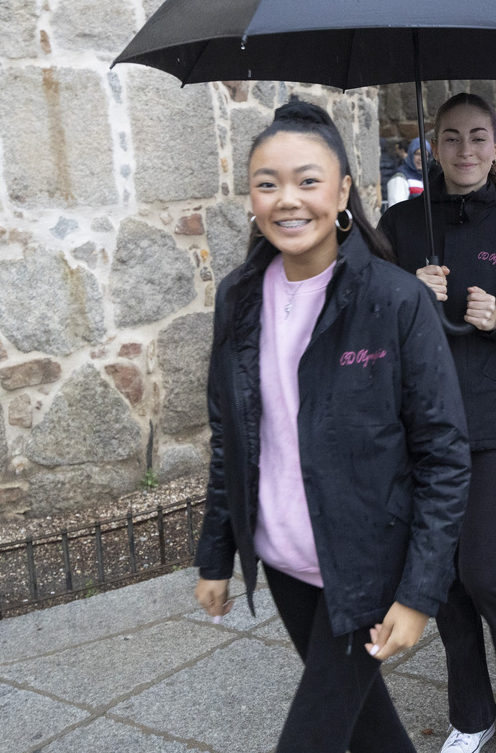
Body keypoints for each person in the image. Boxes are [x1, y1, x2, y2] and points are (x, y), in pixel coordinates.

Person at [194, 99, 471, 752]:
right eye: (268, 183)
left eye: (308, 180)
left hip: (366, 563)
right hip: (285, 559)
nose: (288, 200)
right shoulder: (238, 297)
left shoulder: (394, 301)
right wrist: (216, 555)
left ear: (344, 188)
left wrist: (420, 592)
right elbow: (227, 436)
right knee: (371, 730)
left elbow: (444, 456)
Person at [379, 93, 496, 753]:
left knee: (482, 568)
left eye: (479, 137)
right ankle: (471, 711)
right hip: (421, 422)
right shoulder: (399, 223)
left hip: (492, 421)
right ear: (436, 147)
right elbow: (372, 325)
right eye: (452, 138)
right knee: (442, 577)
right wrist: (406, 297)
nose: (466, 150)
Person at [385, 137, 431, 207]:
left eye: (425, 155)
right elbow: (397, 209)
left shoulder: (423, 177)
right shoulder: (400, 177)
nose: (421, 158)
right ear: (410, 154)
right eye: (418, 154)